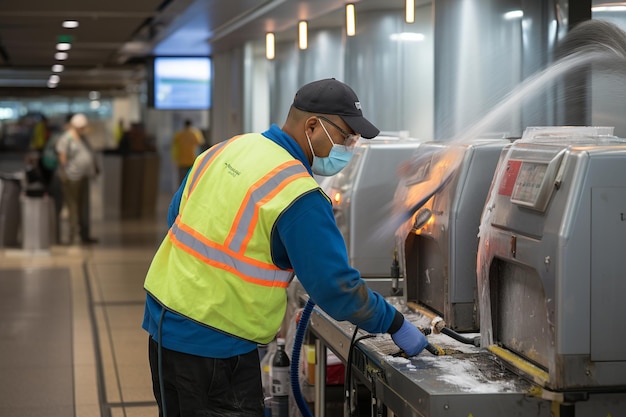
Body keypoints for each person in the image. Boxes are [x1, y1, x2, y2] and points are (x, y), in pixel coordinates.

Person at [142, 78, 428, 417]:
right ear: (312, 126)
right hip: (217, 349)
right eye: (345, 136)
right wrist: (395, 323)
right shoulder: (298, 193)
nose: (349, 147)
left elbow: (177, 216)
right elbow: (336, 289)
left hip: (163, 330)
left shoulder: (228, 149)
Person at [56, 113, 99, 245]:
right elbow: (62, 157)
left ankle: (83, 234)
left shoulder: (82, 138)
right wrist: (66, 172)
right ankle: (73, 236)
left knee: (83, 207)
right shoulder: (66, 139)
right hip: (72, 177)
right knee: (73, 207)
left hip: (83, 176)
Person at [171, 119, 205, 184]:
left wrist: (175, 158)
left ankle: (182, 193)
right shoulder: (195, 133)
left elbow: (174, 146)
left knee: (182, 180)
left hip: (181, 160)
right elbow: (201, 143)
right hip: (192, 160)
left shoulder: (179, 134)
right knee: (191, 180)